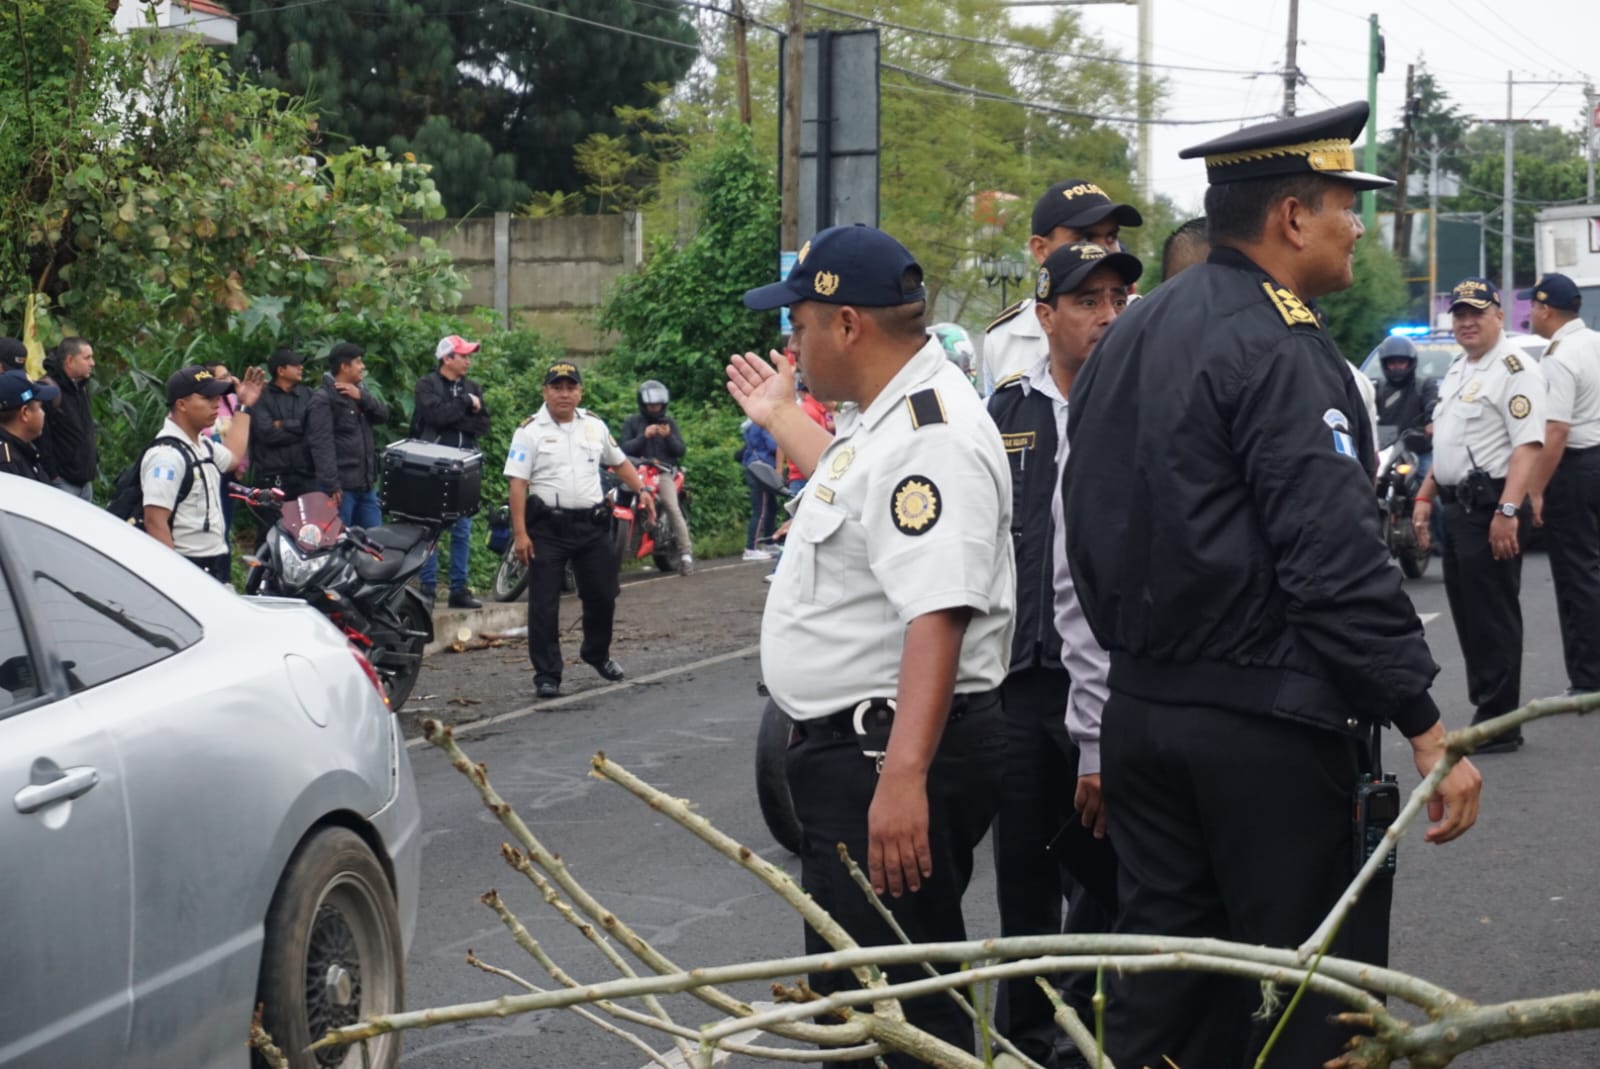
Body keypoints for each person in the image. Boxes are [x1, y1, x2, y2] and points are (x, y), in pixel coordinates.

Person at [1062, 102, 1482, 1069]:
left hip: (1144, 711)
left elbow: (1082, 528)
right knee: (1313, 1000)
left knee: (1166, 996)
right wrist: (1424, 725)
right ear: (1292, 216)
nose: (1356, 227)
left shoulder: (1129, 334)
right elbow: (1332, 560)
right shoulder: (1284, 346)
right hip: (1265, 729)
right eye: (1346, 205)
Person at [728, 223, 1015, 1064]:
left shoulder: (930, 431)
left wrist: (902, 776)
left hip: (881, 753)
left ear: (847, 323)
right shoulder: (889, 418)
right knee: (856, 1004)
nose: (793, 341)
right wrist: (782, 415)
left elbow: (939, 612)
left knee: (906, 1015)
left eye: (801, 323)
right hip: (858, 752)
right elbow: (860, 499)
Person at [985, 241, 1132, 1063]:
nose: (1106, 316)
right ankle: (1029, 1039)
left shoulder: (1142, 407)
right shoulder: (1006, 411)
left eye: (1117, 298)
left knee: (1108, 874)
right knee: (1023, 875)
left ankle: (1095, 1035)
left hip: (1110, 686)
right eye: (1086, 301)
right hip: (1020, 681)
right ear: (1044, 316)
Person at [1413, 278, 1546, 754]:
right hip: (1457, 505)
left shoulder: (1514, 370)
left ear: (1499, 317)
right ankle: (1487, 710)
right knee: (1470, 617)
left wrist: (1509, 510)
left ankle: (1500, 722)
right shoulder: (1459, 368)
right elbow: (1447, 443)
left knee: (1492, 617)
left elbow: (1529, 445)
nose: (1467, 322)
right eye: (1460, 314)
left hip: (1490, 505)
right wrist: (1425, 496)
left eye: (1477, 313)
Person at [505, 361, 655, 699]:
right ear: (545, 392)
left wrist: (643, 491)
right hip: (547, 528)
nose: (564, 394)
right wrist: (520, 534)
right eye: (556, 387)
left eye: (570, 387)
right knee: (544, 604)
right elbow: (518, 484)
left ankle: (596, 653)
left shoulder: (594, 427)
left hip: (591, 524)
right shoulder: (529, 431)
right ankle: (547, 674)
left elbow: (618, 462)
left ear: (580, 391)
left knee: (603, 595)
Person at [982, 179, 1143, 394]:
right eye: (1086, 238)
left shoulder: (1146, 326)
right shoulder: (1005, 337)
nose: (1104, 249)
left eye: (1111, 237)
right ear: (1040, 249)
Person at [1523, 274, 1600, 695]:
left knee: (1577, 575)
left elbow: (1556, 430)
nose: (1530, 314)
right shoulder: (1596, 342)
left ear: (1545, 309)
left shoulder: (1559, 355)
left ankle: (1589, 677)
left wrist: (1535, 488)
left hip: (1575, 469)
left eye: (1532, 307)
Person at [141, 364, 265, 581]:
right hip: (188, 564)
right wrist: (174, 579)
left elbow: (233, 458)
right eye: (207, 398)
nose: (217, 403)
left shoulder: (202, 445)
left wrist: (244, 406)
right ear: (181, 404)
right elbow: (155, 522)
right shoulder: (167, 456)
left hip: (214, 560)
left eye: (217, 396)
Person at [415, 334, 492, 608]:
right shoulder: (427, 385)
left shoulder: (473, 386)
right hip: (433, 466)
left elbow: (483, 424)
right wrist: (464, 406)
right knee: (432, 528)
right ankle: (428, 588)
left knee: (462, 529)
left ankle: (459, 589)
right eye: (463, 356)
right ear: (447, 358)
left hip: (465, 466)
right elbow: (435, 416)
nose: (468, 361)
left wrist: (458, 416)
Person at [307, 342, 389, 530]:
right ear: (344, 366)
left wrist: (361, 396)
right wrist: (331, 485)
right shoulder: (323, 399)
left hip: (366, 485)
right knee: (339, 543)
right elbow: (321, 444)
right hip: (341, 490)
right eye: (358, 362)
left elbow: (382, 415)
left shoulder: (360, 391)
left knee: (373, 543)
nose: (363, 367)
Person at [620, 379, 694, 575]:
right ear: (643, 404)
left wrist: (668, 436)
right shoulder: (632, 422)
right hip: (636, 473)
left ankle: (686, 554)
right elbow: (623, 450)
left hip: (662, 473)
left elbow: (680, 451)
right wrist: (644, 436)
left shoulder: (669, 423)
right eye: (651, 404)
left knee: (671, 505)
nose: (655, 408)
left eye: (658, 404)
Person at [250, 348, 317, 501]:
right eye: (296, 365)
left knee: (310, 524)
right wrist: (301, 430)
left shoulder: (308, 394)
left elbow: (315, 428)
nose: (301, 368)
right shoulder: (261, 397)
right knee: (273, 524)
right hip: (272, 477)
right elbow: (266, 434)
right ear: (281, 370)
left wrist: (283, 424)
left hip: (306, 477)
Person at [36, 338, 98, 500]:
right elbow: (41, 438)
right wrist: (53, 475)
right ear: (70, 360)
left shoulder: (81, 388)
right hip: (62, 482)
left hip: (85, 482)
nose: (93, 363)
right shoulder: (48, 390)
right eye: (87, 358)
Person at [0, 370, 57, 482]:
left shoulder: (22, 450)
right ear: (25, 413)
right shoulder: (8, 465)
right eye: (40, 407)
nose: (43, 413)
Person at [740, 417, 780, 561]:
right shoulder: (762, 424)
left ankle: (768, 542)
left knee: (772, 506)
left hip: (756, 467)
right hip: (761, 470)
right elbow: (773, 446)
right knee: (761, 510)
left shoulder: (750, 425)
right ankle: (751, 548)